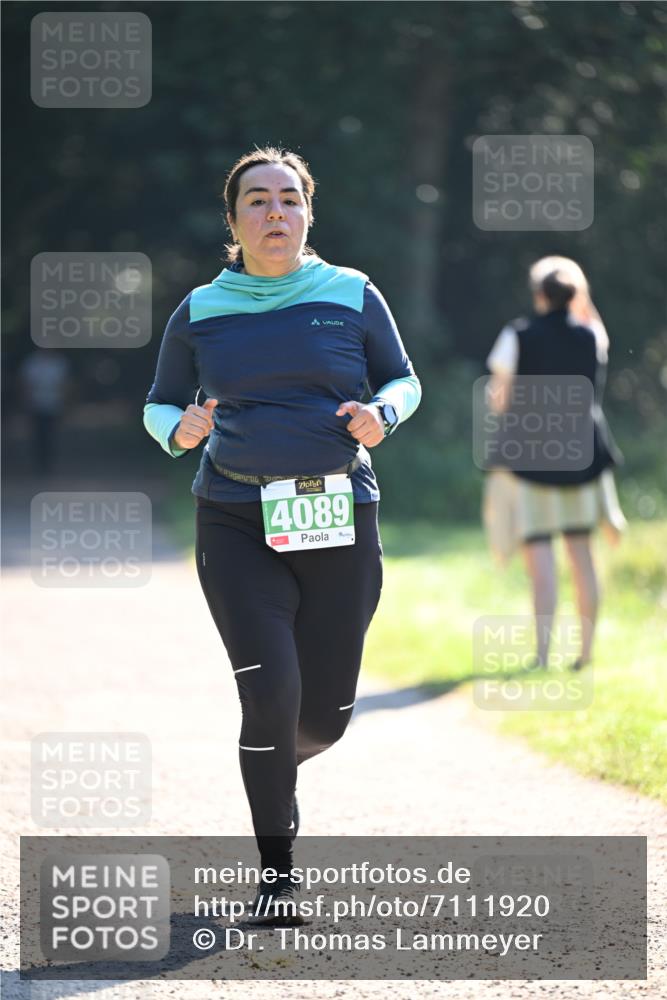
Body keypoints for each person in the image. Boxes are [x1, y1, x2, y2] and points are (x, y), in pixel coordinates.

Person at [143, 146, 421, 923]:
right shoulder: (201, 308)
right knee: (268, 694)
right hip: (233, 515)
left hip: (337, 515)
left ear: (308, 213)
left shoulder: (350, 293)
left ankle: (274, 766)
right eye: (257, 201)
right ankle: (276, 873)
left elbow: (402, 377)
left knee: (323, 716)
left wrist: (383, 413)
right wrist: (181, 427)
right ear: (233, 221)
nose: (275, 213)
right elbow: (158, 402)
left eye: (289, 199)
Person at [484, 256, 626, 671]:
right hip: (583, 458)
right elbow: (598, 334)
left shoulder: (518, 334)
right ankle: (585, 654)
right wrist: (582, 295)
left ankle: (542, 656)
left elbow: (500, 398)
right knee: (582, 556)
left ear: (539, 294)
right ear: (574, 295)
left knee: (541, 559)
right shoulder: (590, 335)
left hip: (530, 461)